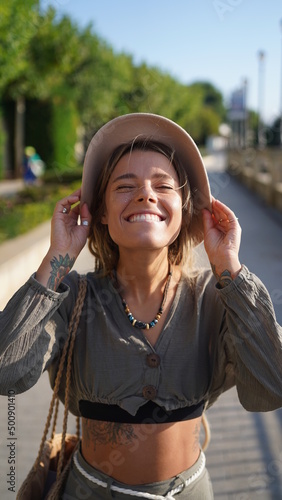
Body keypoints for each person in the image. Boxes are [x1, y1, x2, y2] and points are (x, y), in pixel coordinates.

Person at [1, 113, 282, 499]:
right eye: (124, 186)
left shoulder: (217, 299)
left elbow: (272, 387)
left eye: (162, 185)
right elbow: (6, 371)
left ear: (184, 210)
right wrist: (58, 256)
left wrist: (229, 268)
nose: (145, 194)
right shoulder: (71, 298)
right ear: (99, 211)